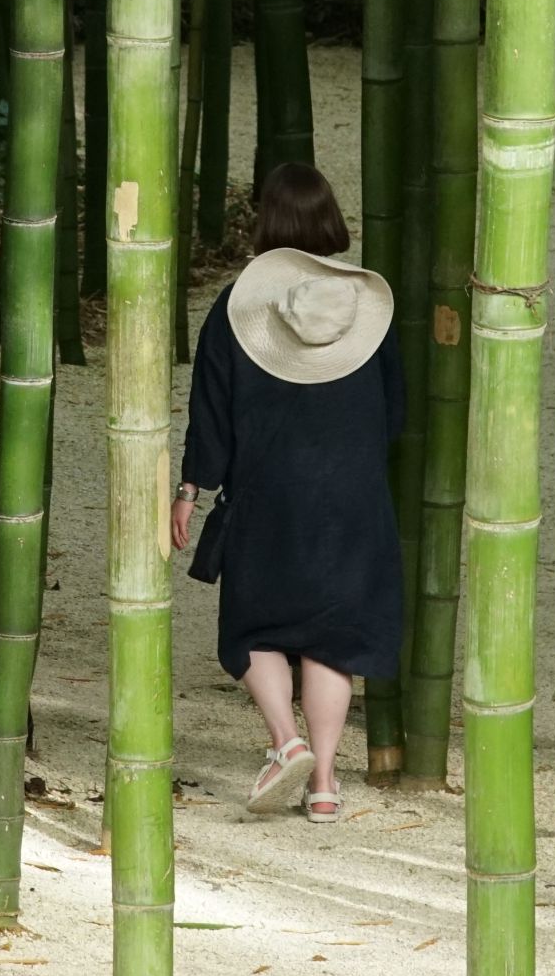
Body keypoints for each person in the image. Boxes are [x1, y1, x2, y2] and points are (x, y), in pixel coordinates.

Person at [170, 163, 404, 822]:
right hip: (353, 501)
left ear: (267, 222)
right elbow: (397, 412)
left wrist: (191, 486)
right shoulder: (368, 309)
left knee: (252, 629)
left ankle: (285, 740)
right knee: (330, 639)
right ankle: (324, 783)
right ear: (331, 218)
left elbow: (210, 410)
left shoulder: (238, 307)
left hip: (269, 497)